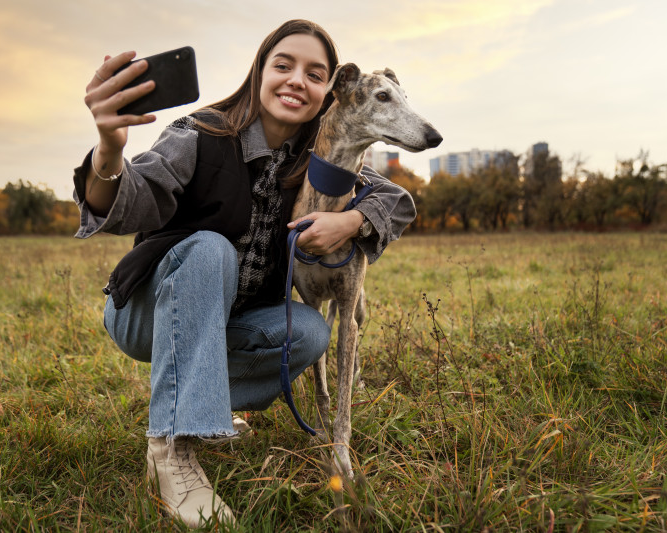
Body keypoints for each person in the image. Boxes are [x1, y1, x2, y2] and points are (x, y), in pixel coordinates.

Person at [73, 19, 415, 527]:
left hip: (226, 326)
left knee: (309, 332)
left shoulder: (314, 162)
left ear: (329, 94)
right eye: (283, 65)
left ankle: (203, 405)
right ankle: (170, 451)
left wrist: (352, 218)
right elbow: (129, 202)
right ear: (259, 73)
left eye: (315, 73)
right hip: (148, 313)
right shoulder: (200, 134)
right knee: (212, 250)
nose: (298, 80)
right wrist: (109, 147)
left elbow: (396, 201)